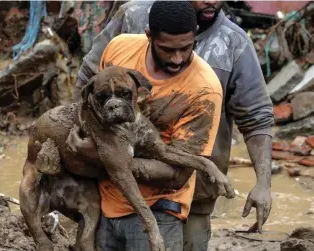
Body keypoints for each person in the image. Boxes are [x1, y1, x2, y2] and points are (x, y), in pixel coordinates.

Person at [70, 1, 274, 251]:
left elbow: (256, 116)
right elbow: (89, 84)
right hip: (109, 188)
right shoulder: (128, 26)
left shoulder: (230, 48)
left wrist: (263, 183)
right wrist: (80, 140)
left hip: (184, 190)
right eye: (167, 49)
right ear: (149, 35)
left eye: (185, 49)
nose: (210, 0)